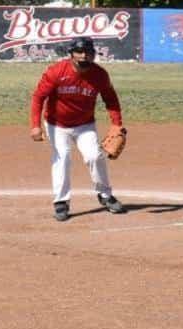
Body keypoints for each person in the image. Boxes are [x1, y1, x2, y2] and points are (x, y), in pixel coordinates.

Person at [29, 37, 126, 222]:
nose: (84, 56)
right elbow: (38, 97)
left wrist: (116, 123)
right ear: (71, 54)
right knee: (62, 157)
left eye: (88, 52)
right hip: (57, 124)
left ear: (93, 55)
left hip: (85, 124)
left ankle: (105, 195)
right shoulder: (57, 71)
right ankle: (61, 202)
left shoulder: (99, 75)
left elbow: (111, 99)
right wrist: (35, 125)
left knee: (95, 156)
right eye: (79, 52)